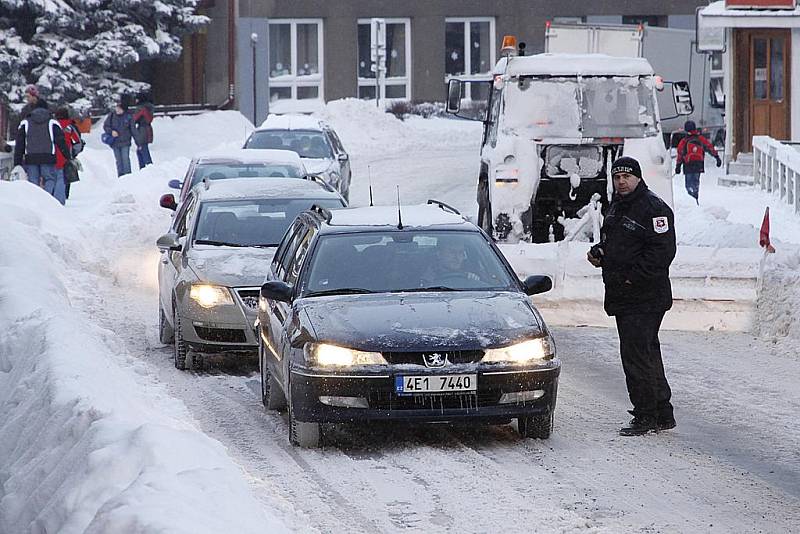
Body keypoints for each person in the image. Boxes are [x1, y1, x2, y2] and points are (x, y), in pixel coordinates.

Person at [587, 156, 677, 436]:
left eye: (627, 176)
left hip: (644, 297)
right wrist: (601, 252)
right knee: (646, 352)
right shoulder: (618, 206)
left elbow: (662, 253)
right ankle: (662, 412)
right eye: (617, 177)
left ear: (638, 178)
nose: (621, 181)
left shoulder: (654, 208)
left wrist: (631, 277)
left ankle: (646, 415)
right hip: (624, 296)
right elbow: (617, 242)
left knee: (636, 356)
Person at [13, 100, 71, 203]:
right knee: (49, 179)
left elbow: (20, 144)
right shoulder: (52, 122)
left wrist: (17, 162)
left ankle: (35, 203)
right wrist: (67, 155)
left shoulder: (25, 122)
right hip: (48, 156)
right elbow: (60, 140)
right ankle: (46, 202)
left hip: (30, 157)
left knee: (33, 181)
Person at [675, 120, 721, 204]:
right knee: (696, 183)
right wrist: (717, 157)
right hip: (698, 164)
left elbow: (680, 154)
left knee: (688, 185)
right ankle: (695, 198)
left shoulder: (684, 141)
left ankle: (691, 200)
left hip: (688, 165)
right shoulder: (700, 139)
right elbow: (710, 147)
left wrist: (678, 166)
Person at [54, 107, 82, 200]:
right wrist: (73, 152)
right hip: (66, 154)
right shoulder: (70, 126)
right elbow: (78, 141)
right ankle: (64, 195)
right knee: (66, 175)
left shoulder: (53, 124)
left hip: (53, 153)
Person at [103, 101, 136, 177]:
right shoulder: (111, 115)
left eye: (119, 108)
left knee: (125, 159)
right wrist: (111, 132)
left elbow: (133, 130)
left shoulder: (128, 117)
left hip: (125, 142)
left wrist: (138, 141)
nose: (117, 110)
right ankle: (120, 176)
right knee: (118, 160)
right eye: (116, 108)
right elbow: (106, 126)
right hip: (115, 142)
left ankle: (128, 176)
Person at [132, 94, 154, 169]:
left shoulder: (141, 108)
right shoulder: (148, 107)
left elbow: (134, 118)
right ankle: (144, 168)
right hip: (145, 130)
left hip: (143, 130)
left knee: (143, 149)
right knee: (141, 150)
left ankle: (147, 167)